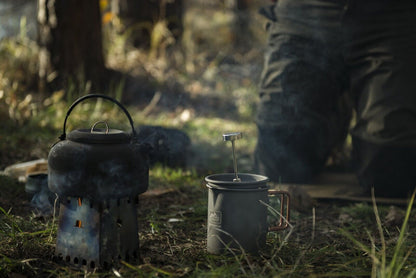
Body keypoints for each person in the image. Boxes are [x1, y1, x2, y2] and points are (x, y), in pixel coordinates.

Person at [254, 0, 416, 198]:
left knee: (391, 173)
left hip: (390, 19)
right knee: (278, 166)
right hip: (304, 15)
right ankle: (333, 108)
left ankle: (364, 99)